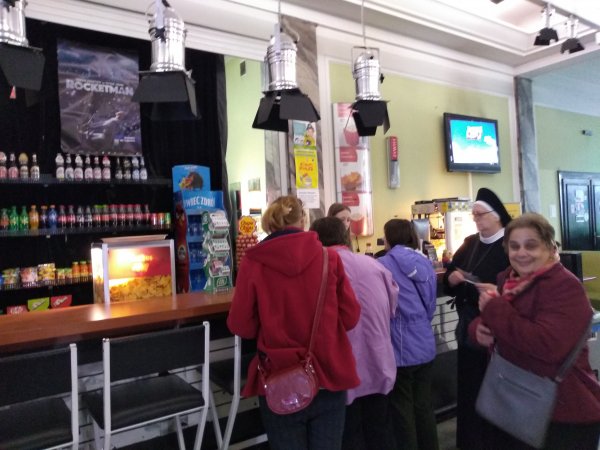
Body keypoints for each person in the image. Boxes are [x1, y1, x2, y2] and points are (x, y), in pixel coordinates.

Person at [227, 195, 361, 450]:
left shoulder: (253, 262)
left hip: (280, 379)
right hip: (328, 374)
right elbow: (351, 316)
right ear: (303, 220)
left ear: (271, 222)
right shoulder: (329, 258)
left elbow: (241, 325)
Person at [469, 213, 600, 449]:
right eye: (514, 246)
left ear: (549, 248)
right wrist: (478, 330)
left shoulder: (565, 286)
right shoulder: (509, 281)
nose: (521, 253)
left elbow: (547, 345)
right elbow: (495, 324)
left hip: (563, 411)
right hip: (515, 404)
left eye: (531, 245)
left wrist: (494, 308)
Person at [310, 217, 398, 450]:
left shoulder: (317, 269)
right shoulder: (374, 265)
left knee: (349, 436)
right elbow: (392, 307)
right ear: (345, 237)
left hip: (342, 369)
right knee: (380, 432)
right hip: (379, 362)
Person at [442, 187, 511, 450]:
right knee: (470, 386)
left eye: (480, 214)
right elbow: (451, 274)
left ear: (497, 216)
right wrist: (453, 278)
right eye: (474, 215)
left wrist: (498, 291)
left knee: (497, 386)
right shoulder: (470, 243)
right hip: (469, 322)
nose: (477, 219)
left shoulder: (509, 245)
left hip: (500, 328)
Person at [378, 219, 439, 450]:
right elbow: (430, 304)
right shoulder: (424, 261)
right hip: (425, 342)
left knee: (402, 409)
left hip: (400, 347)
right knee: (424, 406)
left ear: (389, 237)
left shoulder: (382, 264)